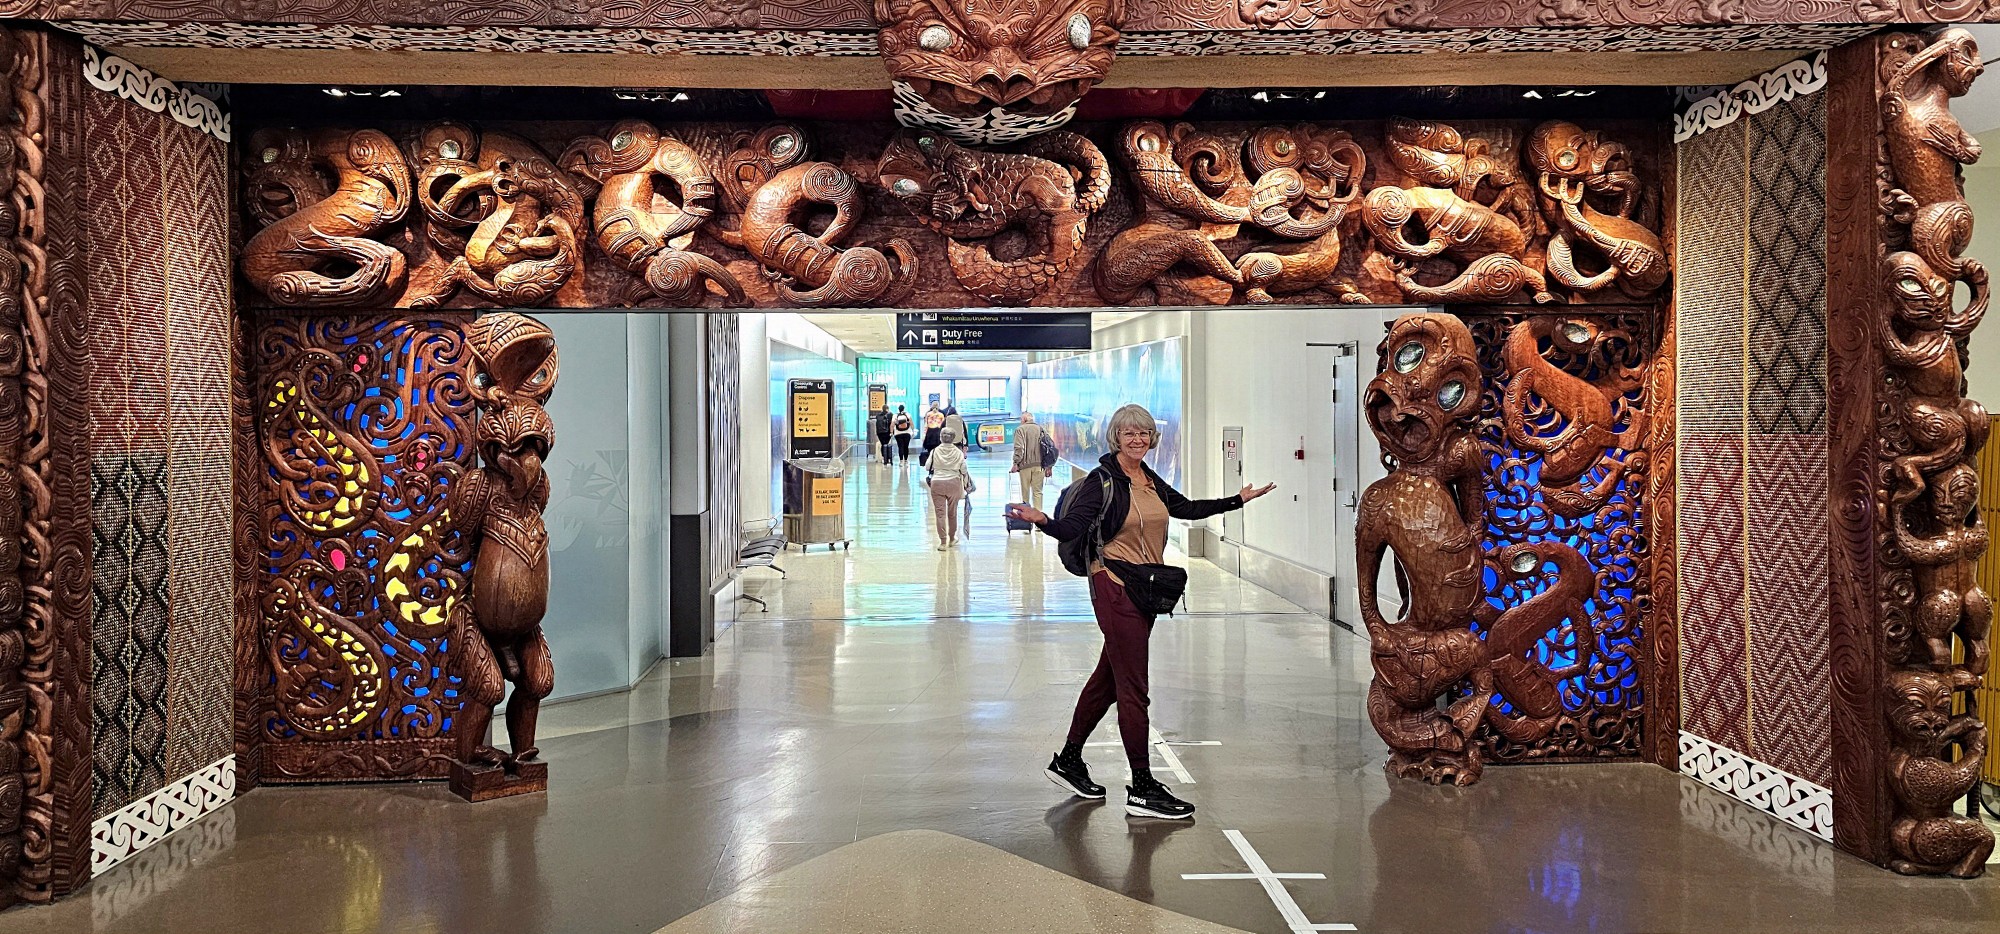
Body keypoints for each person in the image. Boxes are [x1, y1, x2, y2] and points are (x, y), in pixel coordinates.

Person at [1006, 404, 1275, 820]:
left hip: (1142, 584)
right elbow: (1070, 527)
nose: (1137, 439)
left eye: (1144, 433)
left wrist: (1237, 500)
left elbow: (1184, 509)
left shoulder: (1148, 479)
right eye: (1129, 433)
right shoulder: (1102, 481)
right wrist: (1040, 518)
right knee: (1134, 687)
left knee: (1109, 680)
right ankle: (1142, 786)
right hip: (1113, 585)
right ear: (1116, 437)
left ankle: (1069, 760)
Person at [927, 427, 975, 549]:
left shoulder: (935, 451)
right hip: (954, 483)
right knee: (952, 513)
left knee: (940, 514)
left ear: (940, 438)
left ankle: (943, 542)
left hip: (937, 483)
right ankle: (952, 538)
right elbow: (963, 470)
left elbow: (928, 467)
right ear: (954, 439)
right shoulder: (958, 452)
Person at [1012, 412, 1047, 513]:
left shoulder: (1020, 430)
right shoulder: (1041, 429)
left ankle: (1026, 517)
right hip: (1040, 465)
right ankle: (1038, 520)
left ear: (1024, 419)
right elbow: (1048, 447)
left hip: (1025, 466)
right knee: (1038, 493)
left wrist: (1015, 463)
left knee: (1025, 493)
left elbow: (1019, 448)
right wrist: (1048, 466)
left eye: (1021, 419)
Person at [920, 402, 945, 466]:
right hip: (938, 434)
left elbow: (926, 425)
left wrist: (924, 435)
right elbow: (943, 426)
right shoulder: (941, 415)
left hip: (929, 434)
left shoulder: (928, 414)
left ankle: (931, 465)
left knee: (930, 451)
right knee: (938, 451)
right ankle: (937, 464)